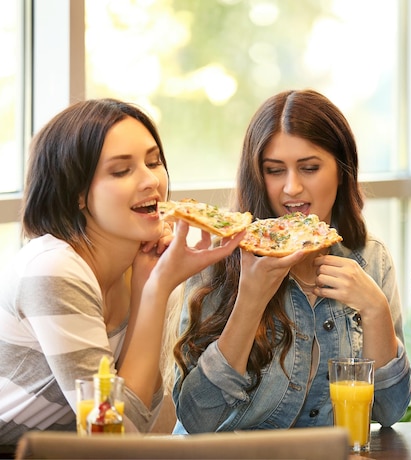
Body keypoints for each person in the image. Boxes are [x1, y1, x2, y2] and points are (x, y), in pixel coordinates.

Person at [0, 99, 244, 446]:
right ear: (78, 194)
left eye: (153, 161)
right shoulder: (54, 270)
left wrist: (149, 284)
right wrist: (157, 288)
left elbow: (134, 420)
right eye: (121, 171)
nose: (151, 181)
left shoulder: (138, 262)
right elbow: (118, 435)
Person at [171, 89, 411, 433]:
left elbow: (390, 412)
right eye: (274, 170)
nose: (292, 188)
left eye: (310, 168)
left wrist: (375, 310)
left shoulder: (370, 259)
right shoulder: (221, 258)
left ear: (342, 171)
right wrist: (250, 302)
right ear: (257, 175)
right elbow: (195, 419)